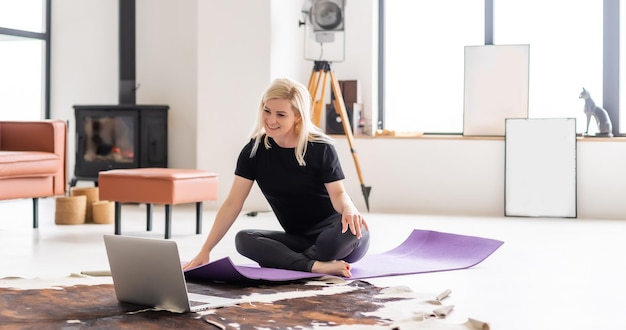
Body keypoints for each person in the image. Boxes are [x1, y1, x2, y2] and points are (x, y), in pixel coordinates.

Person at [183, 78, 370, 277]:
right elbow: (232, 204)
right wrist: (206, 250)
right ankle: (314, 266)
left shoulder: (321, 148)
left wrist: (349, 207)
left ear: (298, 116)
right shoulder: (254, 151)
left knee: (337, 240)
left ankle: (290, 260)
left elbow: (338, 193)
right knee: (244, 239)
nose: (271, 120)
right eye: (267, 111)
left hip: (337, 234)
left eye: (281, 115)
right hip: (299, 240)